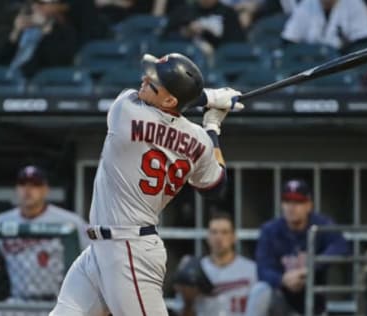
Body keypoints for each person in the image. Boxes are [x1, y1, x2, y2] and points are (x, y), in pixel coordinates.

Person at [49, 53, 244, 316]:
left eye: (153, 82)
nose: (144, 80)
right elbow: (216, 186)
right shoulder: (198, 141)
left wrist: (210, 98)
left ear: (169, 99)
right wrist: (212, 128)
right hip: (101, 250)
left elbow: (182, 105)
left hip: (129, 248)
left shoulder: (125, 111)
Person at [0, 165, 90, 316]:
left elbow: (94, 252)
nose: (28, 190)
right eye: (23, 184)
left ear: (45, 190)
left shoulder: (69, 220)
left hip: (57, 300)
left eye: (35, 185)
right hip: (19, 300)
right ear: (17, 189)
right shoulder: (3, 220)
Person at [253, 179, 348, 316]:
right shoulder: (270, 230)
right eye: (287, 201)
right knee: (260, 289)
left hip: (313, 301)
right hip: (280, 301)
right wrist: (283, 279)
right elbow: (263, 270)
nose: (291, 207)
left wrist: (310, 268)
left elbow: (341, 245)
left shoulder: (319, 224)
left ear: (309, 205)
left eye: (298, 202)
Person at [174, 212, 258, 316]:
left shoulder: (252, 270)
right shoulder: (194, 270)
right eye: (214, 232)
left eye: (225, 232)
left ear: (234, 237)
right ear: (208, 237)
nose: (219, 237)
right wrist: (188, 302)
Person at [0, 0, 77, 78]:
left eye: (42, 4)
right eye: (33, 2)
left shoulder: (64, 31)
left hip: (43, 86)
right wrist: (15, 33)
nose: (35, 7)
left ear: (54, 7)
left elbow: (57, 62)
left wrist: (43, 30)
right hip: (8, 83)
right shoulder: (13, 26)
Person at [281, 0, 367, 51]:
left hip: (343, 63)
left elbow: (364, 40)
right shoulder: (307, 4)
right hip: (312, 61)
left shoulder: (354, 3)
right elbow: (289, 38)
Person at [163, 0, 246, 53]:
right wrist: (186, 32)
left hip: (217, 59)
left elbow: (237, 43)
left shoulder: (228, 13)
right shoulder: (185, 10)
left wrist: (208, 34)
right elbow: (166, 36)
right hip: (187, 56)